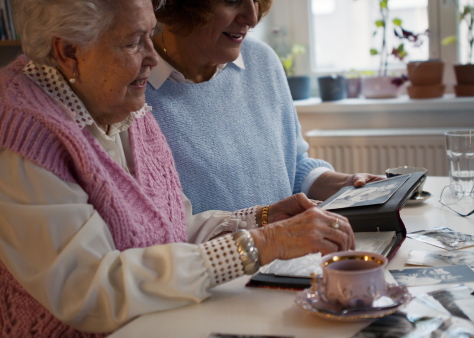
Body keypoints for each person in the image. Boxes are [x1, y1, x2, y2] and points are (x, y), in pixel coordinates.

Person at [0, 0, 354, 336]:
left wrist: (261, 219)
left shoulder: (118, 100)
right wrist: (258, 245)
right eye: (135, 42)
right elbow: (89, 288)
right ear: (69, 51)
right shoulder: (22, 132)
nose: (153, 58)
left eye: (150, 35)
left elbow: (172, 227)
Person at [145, 0, 384, 215]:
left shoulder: (261, 60)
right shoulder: (132, 89)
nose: (252, 17)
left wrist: (345, 185)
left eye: (257, 0)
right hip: (213, 262)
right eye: (232, 1)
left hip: (289, 257)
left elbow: (293, 165)